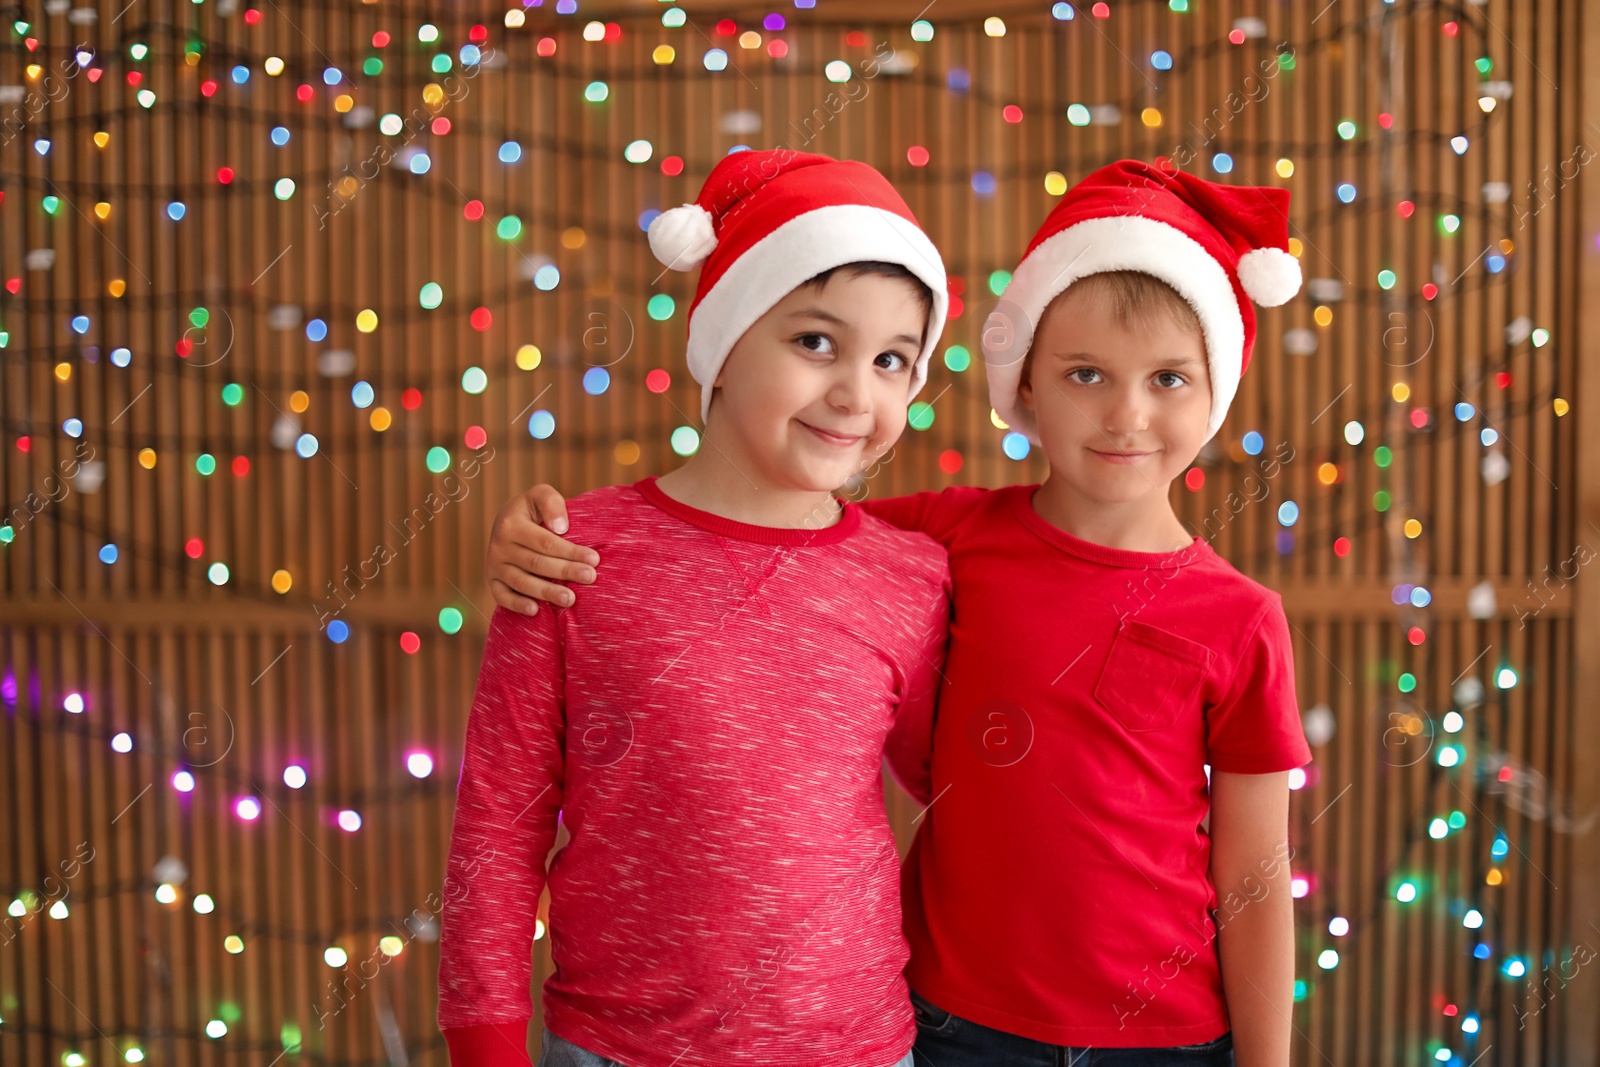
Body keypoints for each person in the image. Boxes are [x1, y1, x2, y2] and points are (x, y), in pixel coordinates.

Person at [484, 159, 1313, 1067]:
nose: (1126, 413)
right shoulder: (944, 540)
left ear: (1217, 391)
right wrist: (541, 531)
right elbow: (754, 528)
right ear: (1026, 381)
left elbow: (1255, 875)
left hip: (1167, 1037)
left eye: (1168, 379)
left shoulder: (1241, 616)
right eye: (1085, 373)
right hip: (951, 1026)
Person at [438, 149, 954, 1067]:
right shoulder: (570, 554)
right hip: (616, 1048)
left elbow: (955, 791)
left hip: (859, 1048)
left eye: (891, 360)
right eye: (814, 342)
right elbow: (499, 819)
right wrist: (484, 1043)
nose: (854, 393)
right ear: (722, 341)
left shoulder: (912, 576)